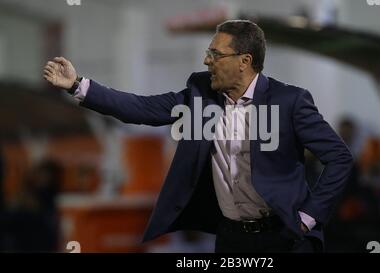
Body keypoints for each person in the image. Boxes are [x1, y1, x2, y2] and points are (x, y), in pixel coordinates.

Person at [43, 20, 353, 253]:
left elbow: (339, 158)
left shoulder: (290, 101)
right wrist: (78, 85)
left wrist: (309, 217)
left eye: (215, 54)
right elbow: (142, 108)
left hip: (286, 236)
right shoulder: (200, 95)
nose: (207, 61)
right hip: (232, 238)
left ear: (244, 61)